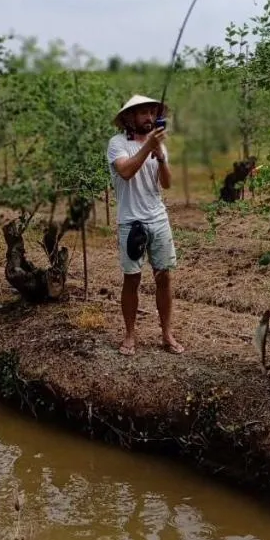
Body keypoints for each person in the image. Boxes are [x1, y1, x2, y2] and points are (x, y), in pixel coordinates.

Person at [107, 94, 184, 356]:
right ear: (130, 118)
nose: (149, 118)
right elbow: (126, 172)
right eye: (143, 113)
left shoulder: (158, 145)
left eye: (152, 112)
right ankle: (129, 335)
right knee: (132, 279)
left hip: (158, 218)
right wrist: (146, 147)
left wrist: (159, 155)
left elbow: (167, 184)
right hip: (131, 222)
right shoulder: (117, 144)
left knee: (164, 276)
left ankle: (166, 334)